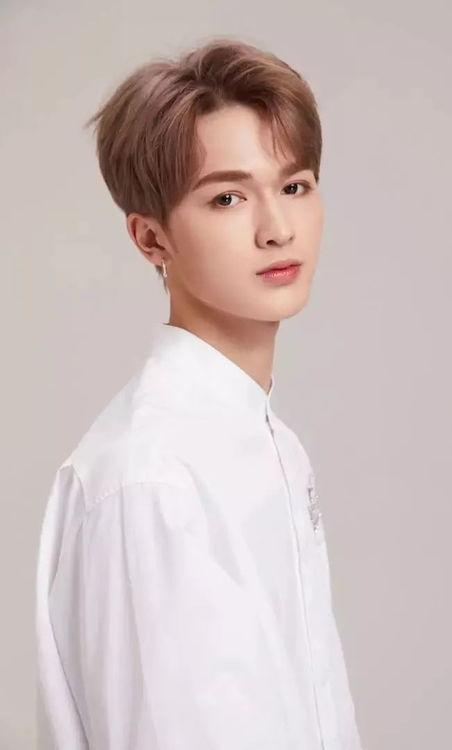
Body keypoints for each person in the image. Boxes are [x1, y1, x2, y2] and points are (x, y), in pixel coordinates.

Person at [35, 36, 363, 749]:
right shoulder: (151, 480)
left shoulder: (269, 443)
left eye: (295, 186)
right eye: (227, 198)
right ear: (151, 239)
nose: (277, 229)